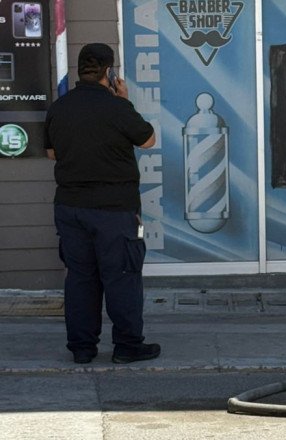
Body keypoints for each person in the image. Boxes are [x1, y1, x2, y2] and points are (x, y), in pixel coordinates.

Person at [44, 43, 160, 364]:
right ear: (109, 72)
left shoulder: (59, 107)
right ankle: (127, 346)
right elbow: (148, 139)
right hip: (114, 210)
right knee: (122, 276)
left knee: (80, 277)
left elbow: (52, 153)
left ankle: (82, 348)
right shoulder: (117, 107)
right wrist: (124, 101)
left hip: (70, 208)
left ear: (81, 69)